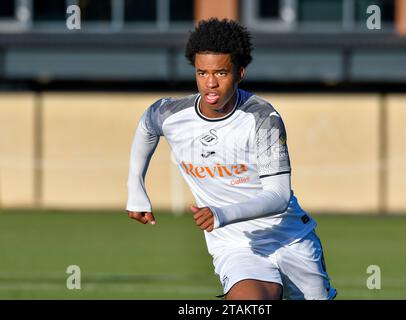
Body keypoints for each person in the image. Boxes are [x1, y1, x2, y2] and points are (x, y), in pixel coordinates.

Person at [126, 18, 337, 300]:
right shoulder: (171, 113)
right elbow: (147, 126)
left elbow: (279, 195)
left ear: (239, 72)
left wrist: (221, 214)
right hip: (235, 244)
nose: (210, 84)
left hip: (290, 239)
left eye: (221, 73)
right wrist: (135, 189)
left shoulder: (262, 118)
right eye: (202, 73)